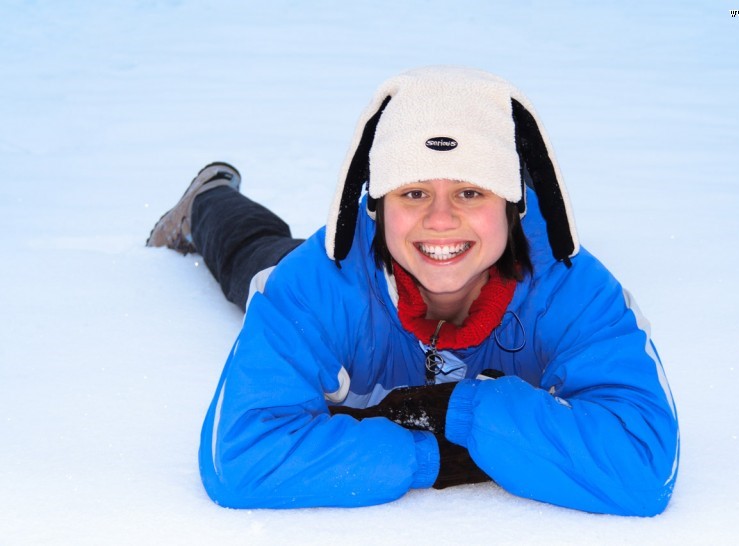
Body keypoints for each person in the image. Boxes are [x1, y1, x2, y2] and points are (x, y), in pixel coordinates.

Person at [147, 66, 679, 516]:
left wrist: (460, 414)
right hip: (342, 271)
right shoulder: (317, 286)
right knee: (256, 255)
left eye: (471, 192)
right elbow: (240, 459)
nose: (440, 219)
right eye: (414, 191)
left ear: (511, 206)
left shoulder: (571, 286)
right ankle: (207, 202)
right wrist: (429, 457)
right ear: (378, 205)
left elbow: (642, 465)